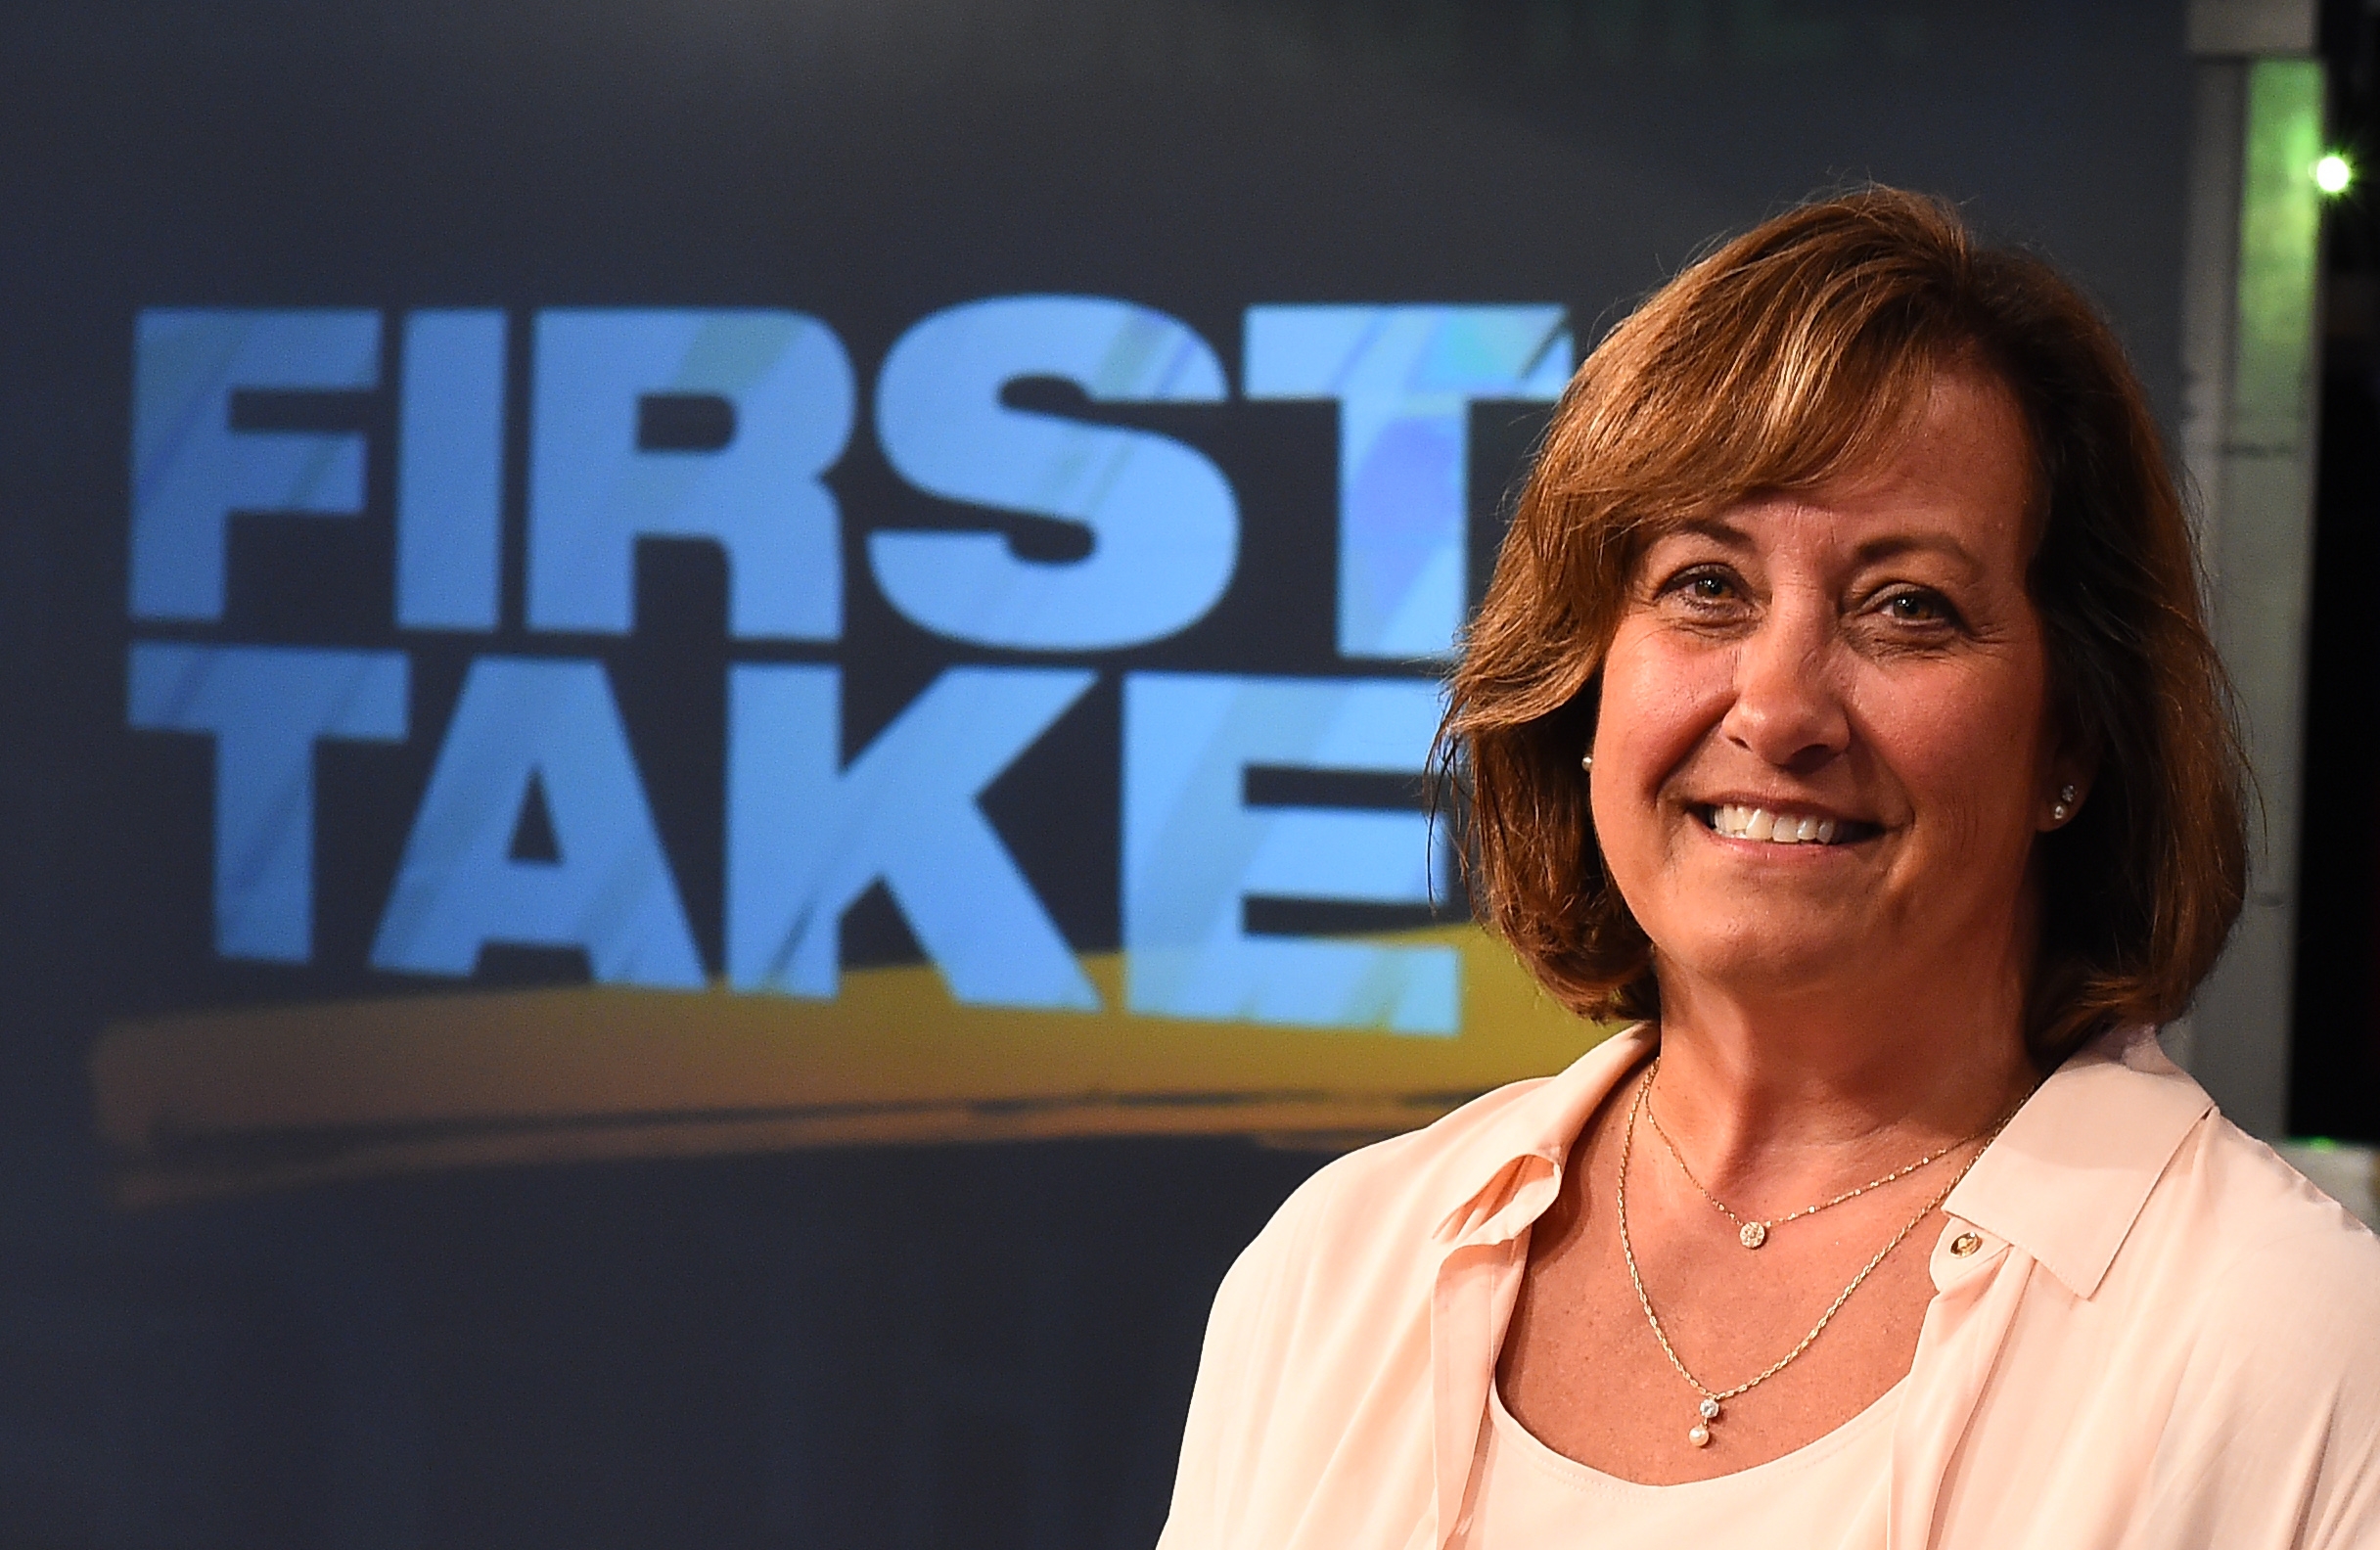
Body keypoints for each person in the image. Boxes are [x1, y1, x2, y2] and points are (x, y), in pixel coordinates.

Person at [1155, 188, 2380, 1549]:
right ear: (1582, 683)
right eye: (1704, 586)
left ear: (2070, 744)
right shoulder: (1339, 1267)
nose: (1781, 708)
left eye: (1907, 606)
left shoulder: (2298, 1346)